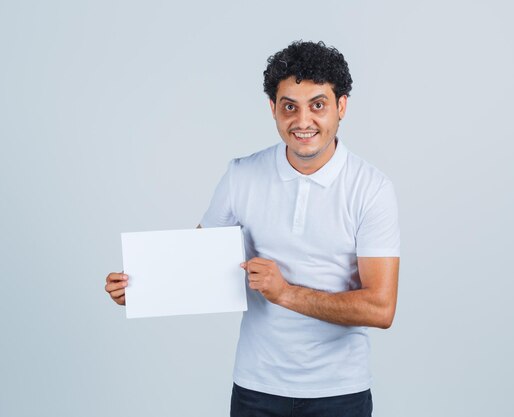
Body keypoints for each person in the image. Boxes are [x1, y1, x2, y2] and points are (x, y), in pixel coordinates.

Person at [105, 40, 400, 417]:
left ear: (341, 107)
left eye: (318, 105)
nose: (303, 121)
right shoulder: (242, 175)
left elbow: (380, 308)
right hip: (256, 388)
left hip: (340, 392)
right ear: (273, 109)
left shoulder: (371, 189)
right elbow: (194, 261)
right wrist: (142, 289)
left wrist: (285, 293)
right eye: (289, 106)